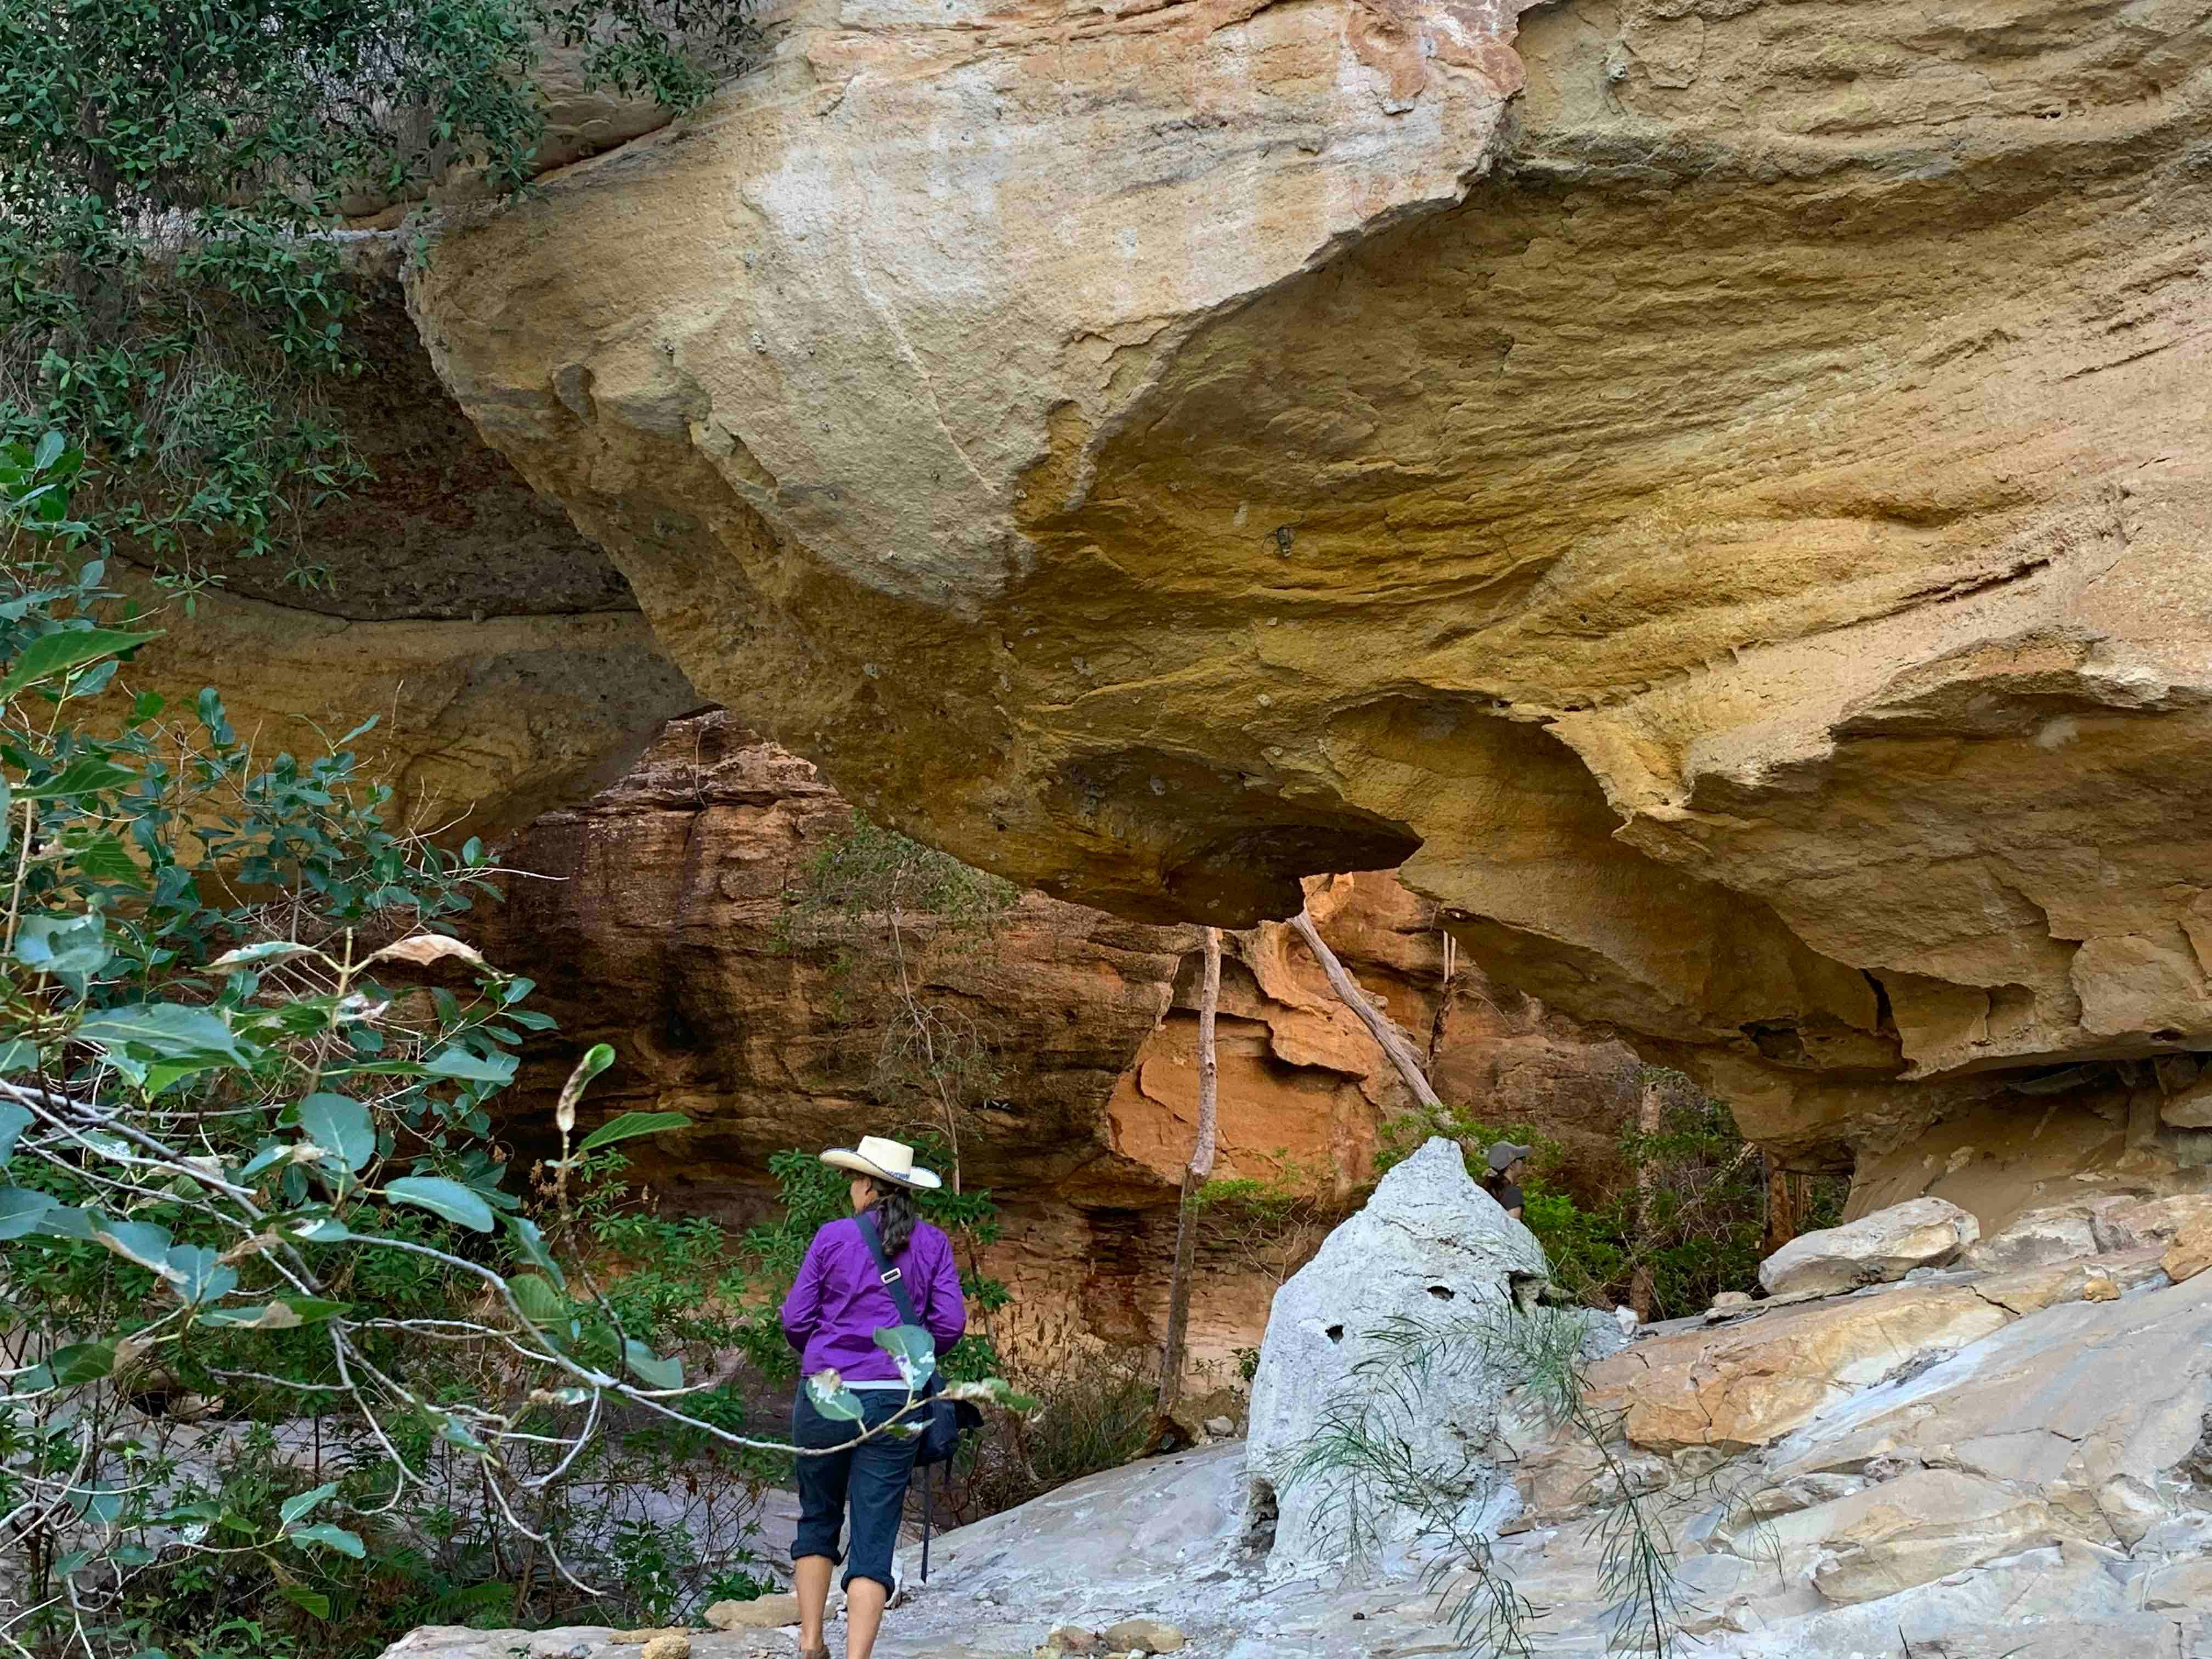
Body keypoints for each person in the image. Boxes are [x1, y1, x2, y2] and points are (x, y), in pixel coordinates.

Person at [780, 1136, 967, 1659]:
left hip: (826, 1392)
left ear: (866, 1185)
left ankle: (811, 1643)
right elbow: (950, 1324)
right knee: (875, 1532)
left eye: (852, 1180)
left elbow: (796, 1319)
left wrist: (824, 1350)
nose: (850, 1188)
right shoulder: (933, 1244)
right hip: (893, 1401)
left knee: (817, 1515)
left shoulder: (833, 1237)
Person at [1483, 1140, 1532, 1220]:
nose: (1525, 1164)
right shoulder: (1513, 1193)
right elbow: (1512, 1225)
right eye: (1523, 1160)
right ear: (1511, 1165)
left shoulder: (1486, 1188)